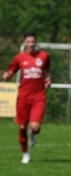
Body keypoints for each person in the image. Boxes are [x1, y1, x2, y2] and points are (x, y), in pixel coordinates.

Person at [2, 32, 51, 164]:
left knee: (35, 127)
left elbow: (47, 71)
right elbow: (11, 71)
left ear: (36, 43)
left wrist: (48, 80)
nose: (30, 44)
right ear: (24, 43)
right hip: (23, 97)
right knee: (22, 127)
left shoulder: (44, 56)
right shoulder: (19, 58)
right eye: (28, 42)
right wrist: (6, 76)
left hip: (38, 96)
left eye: (32, 42)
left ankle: (33, 134)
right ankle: (25, 154)